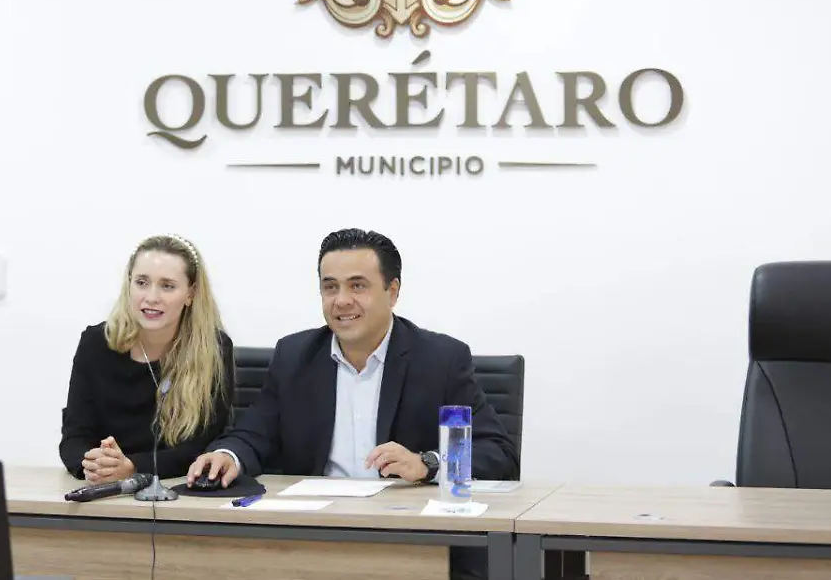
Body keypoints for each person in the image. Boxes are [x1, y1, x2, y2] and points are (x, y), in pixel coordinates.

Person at [187, 228, 516, 580]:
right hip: (314, 537)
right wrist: (228, 455)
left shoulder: (441, 359)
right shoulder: (294, 356)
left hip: (411, 539)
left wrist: (427, 464)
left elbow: (498, 452)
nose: (341, 300)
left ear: (392, 291)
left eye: (358, 286)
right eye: (330, 287)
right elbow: (255, 433)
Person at [60, 234, 234, 483]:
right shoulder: (96, 342)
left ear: (191, 293)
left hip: (176, 490)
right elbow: (74, 436)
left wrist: (132, 468)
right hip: (104, 489)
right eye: (142, 282)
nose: (151, 297)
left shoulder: (213, 348)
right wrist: (93, 463)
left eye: (167, 286)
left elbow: (203, 446)